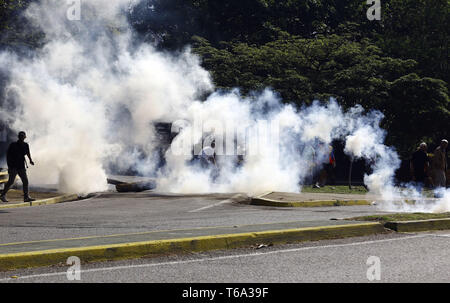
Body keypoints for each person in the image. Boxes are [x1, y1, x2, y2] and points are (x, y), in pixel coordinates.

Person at [1, 131, 35, 203]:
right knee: (11, 182)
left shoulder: (25, 145)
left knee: (25, 181)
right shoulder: (13, 145)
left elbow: (28, 153)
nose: (22, 137)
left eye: (23, 136)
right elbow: (8, 155)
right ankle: (2, 195)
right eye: (21, 136)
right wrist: (9, 165)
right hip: (13, 167)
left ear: (25, 137)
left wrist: (30, 160)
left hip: (21, 166)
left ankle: (26, 197)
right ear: (19, 137)